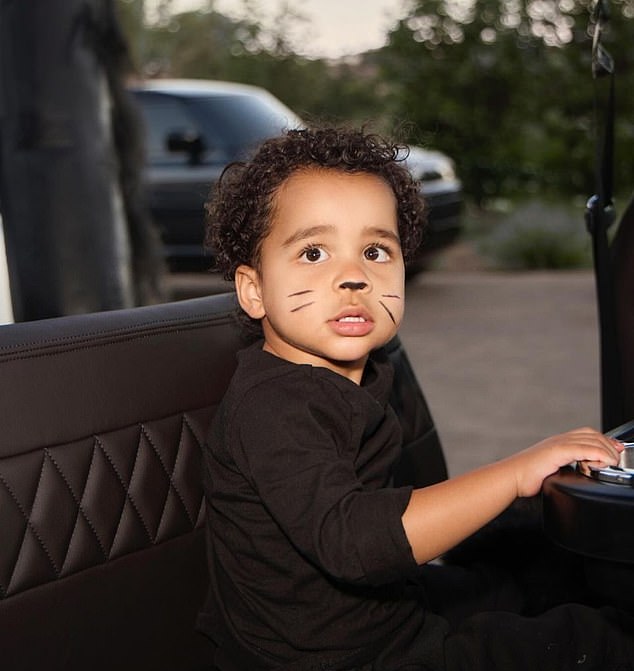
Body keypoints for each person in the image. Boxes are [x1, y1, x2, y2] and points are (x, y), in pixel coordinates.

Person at [197, 126, 634, 671]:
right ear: (253, 290)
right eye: (314, 252)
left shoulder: (361, 374)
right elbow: (355, 542)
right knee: (591, 641)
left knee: (541, 569)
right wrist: (516, 473)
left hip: (386, 610)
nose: (354, 276)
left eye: (376, 251)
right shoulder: (275, 407)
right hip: (343, 657)